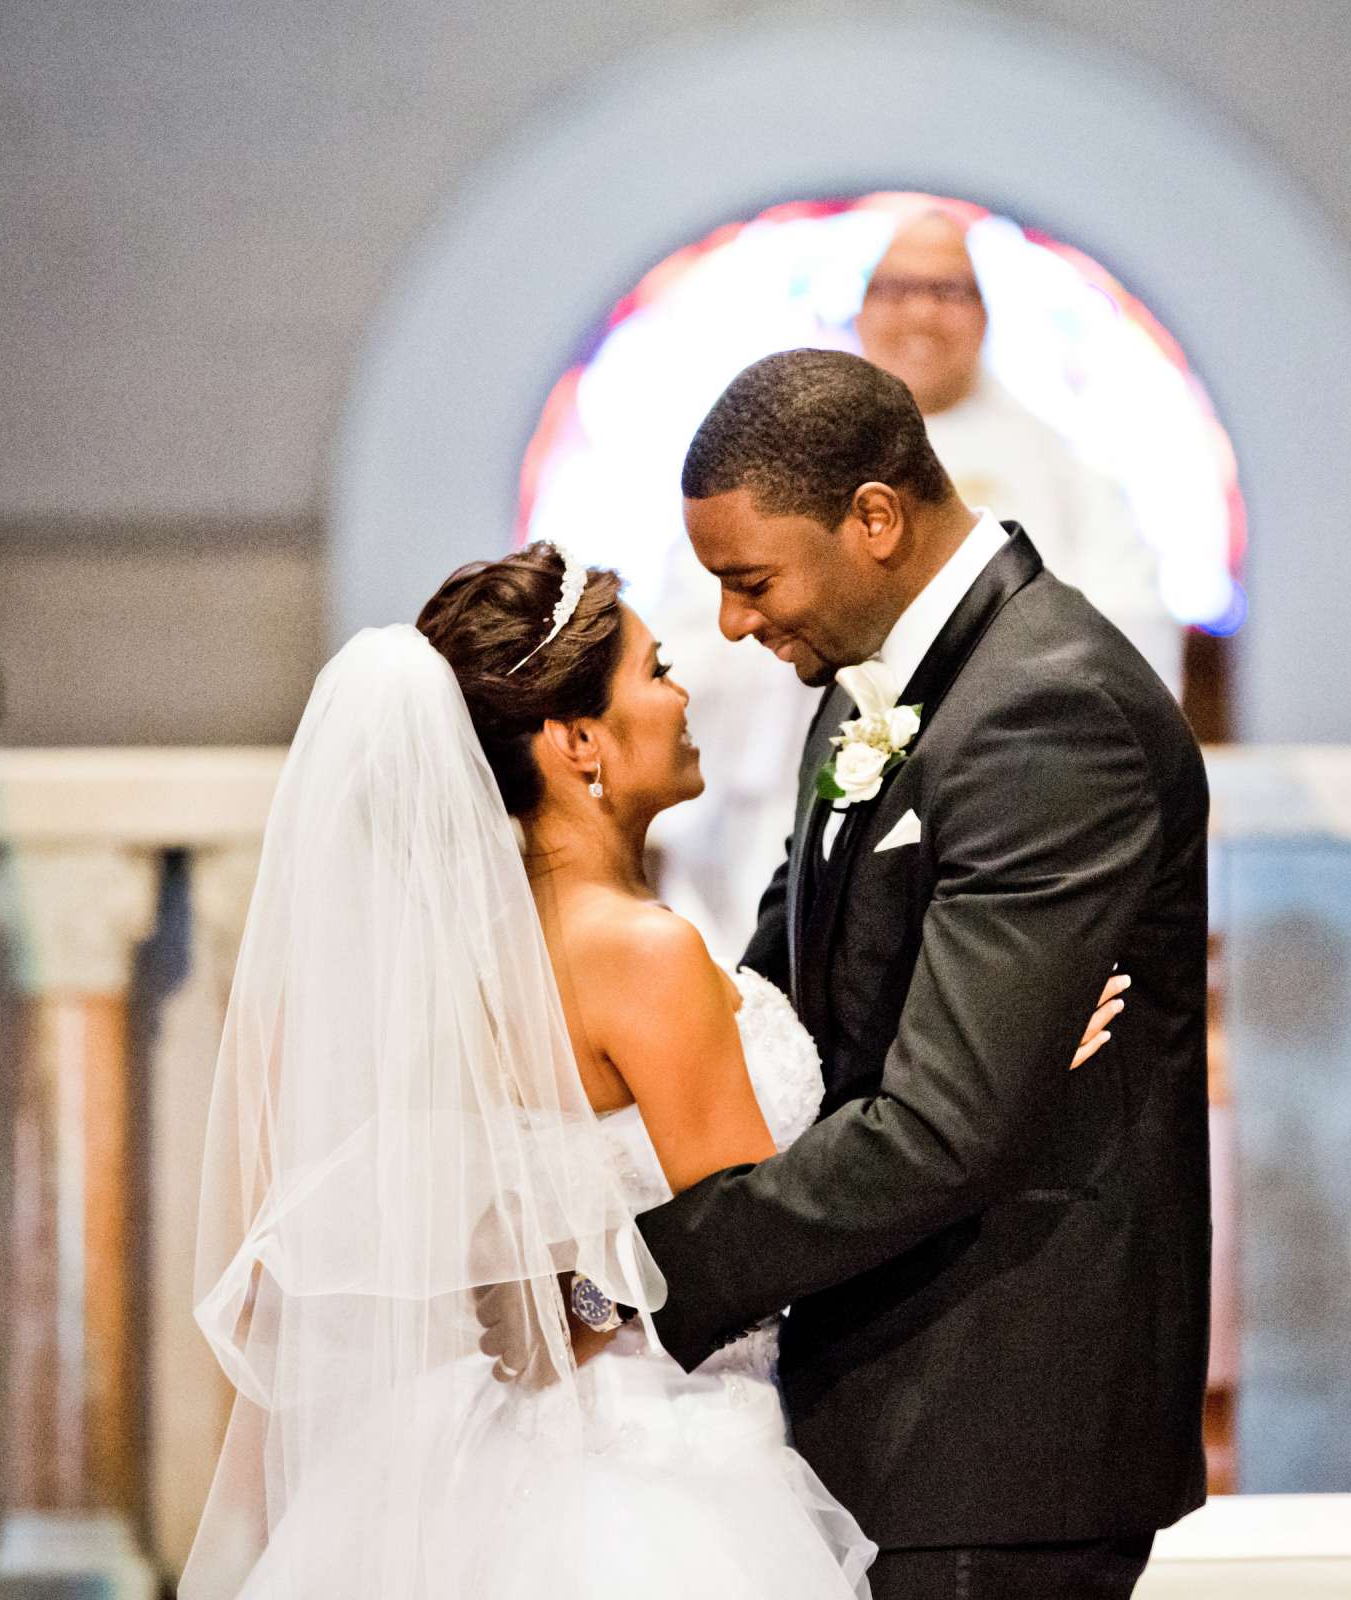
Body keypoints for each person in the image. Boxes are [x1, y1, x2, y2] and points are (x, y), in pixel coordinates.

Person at [181, 545, 1124, 1599]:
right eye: (657, 669)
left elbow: (560, 1274)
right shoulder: (640, 951)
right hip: (670, 1465)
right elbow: (774, 1241)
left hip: (531, 1441)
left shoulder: (495, 950)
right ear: (578, 739)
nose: (685, 695)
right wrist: (1007, 1082)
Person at [621, 349, 1213, 1600]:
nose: (731, 622)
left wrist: (641, 1271)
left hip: (1004, 1419)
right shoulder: (861, 695)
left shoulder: (1049, 707)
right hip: (878, 1393)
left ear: (874, 519)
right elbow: (777, 1005)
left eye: (750, 579)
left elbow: (949, 1122)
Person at [857, 212, 1186, 690]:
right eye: (898, 290)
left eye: (947, 292)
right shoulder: (801, 462)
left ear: (984, 316)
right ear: (860, 312)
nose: (921, 314)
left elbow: (1132, 617)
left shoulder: (1065, 464)